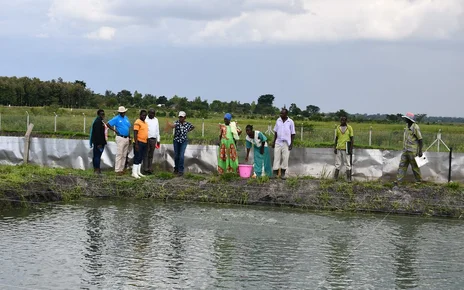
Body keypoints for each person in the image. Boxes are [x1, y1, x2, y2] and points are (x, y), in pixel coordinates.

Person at [394, 112, 423, 185]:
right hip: (406, 149)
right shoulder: (407, 126)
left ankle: (419, 181)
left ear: (410, 119)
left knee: (415, 167)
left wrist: (420, 151)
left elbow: (420, 139)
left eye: (406, 119)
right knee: (402, 165)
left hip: (413, 150)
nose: (405, 120)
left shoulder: (415, 127)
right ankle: (399, 181)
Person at [167, 111, 194, 176]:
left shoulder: (187, 124)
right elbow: (173, 126)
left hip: (184, 141)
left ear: (185, 117)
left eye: (182, 117)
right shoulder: (177, 122)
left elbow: (192, 127)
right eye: (179, 117)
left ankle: (181, 170)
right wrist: (169, 124)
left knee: (181, 155)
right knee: (176, 156)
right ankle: (176, 168)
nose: (180, 118)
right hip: (176, 140)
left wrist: (187, 130)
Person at [271, 108, 296, 180]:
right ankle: (275, 173)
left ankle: (282, 173)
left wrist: (291, 144)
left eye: (282, 113)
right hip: (278, 142)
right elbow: (275, 132)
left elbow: (293, 133)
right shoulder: (278, 120)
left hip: (286, 143)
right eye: (280, 113)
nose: (281, 114)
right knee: (276, 157)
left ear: (286, 114)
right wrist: (273, 142)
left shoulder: (290, 122)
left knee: (285, 158)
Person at [107, 106, 131, 175]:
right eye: (121, 112)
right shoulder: (116, 118)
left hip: (126, 138)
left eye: (123, 112)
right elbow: (108, 124)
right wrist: (114, 130)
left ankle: (121, 169)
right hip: (120, 137)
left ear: (125, 112)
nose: (123, 113)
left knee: (124, 155)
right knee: (119, 154)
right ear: (119, 112)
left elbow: (128, 128)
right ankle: (117, 170)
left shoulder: (126, 118)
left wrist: (129, 138)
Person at [333, 116, 354, 181]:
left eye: (343, 120)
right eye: (341, 120)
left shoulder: (349, 128)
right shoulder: (338, 128)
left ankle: (348, 179)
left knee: (347, 163)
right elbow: (336, 138)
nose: (342, 121)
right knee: (338, 164)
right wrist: (335, 147)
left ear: (346, 121)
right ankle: (335, 178)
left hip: (346, 148)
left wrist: (351, 148)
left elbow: (352, 139)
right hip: (339, 148)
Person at [90, 109, 108, 174]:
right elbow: (97, 134)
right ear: (98, 115)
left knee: (98, 156)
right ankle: (97, 170)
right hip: (98, 142)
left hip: (100, 142)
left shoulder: (100, 121)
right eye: (101, 114)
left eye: (103, 114)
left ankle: (97, 169)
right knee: (97, 156)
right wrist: (99, 143)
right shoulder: (98, 122)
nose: (103, 115)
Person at [132, 110, 148, 179]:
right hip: (138, 142)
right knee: (137, 157)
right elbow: (135, 133)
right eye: (143, 115)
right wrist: (136, 144)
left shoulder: (145, 123)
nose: (144, 116)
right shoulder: (137, 122)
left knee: (141, 157)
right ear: (140, 115)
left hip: (144, 142)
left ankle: (138, 172)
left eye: (145, 115)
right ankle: (134, 172)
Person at [143, 108, 160, 174]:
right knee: (146, 154)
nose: (153, 115)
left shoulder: (156, 120)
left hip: (153, 139)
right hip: (146, 139)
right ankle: (145, 169)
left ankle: (150, 168)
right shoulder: (145, 119)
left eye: (154, 113)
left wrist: (158, 140)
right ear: (148, 113)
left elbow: (157, 130)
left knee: (151, 155)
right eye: (151, 113)